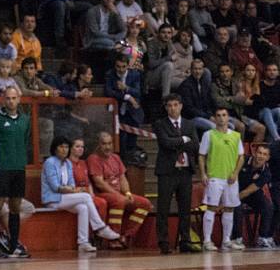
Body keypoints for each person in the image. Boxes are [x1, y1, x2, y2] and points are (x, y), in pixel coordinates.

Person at [41, 135, 121, 253]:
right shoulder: (50, 162)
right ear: (55, 148)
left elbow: (72, 184)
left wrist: (73, 190)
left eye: (66, 147)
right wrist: (75, 190)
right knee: (86, 196)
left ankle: (83, 242)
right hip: (52, 199)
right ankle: (100, 227)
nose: (64, 150)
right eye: (61, 147)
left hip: (65, 197)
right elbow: (55, 187)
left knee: (83, 208)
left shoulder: (67, 163)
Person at [0, 86, 30, 258]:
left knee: (15, 206)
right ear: (3, 100)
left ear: (18, 99)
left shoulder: (25, 119)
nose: (11, 101)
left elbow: (26, 140)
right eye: (8, 98)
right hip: (1, 167)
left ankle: (13, 244)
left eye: (14, 98)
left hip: (19, 167)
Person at [87, 132, 153, 245]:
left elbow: (123, 178)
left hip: (118, 193)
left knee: (145, 203)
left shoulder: (116, 157)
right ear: (98, 145)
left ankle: (126, 236)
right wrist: (118, 195)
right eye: (104, 144)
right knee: (119, 200)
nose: (107, 147)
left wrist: (127, 193)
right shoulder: (93, 158)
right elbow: (99, 183)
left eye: (109, 143)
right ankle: (113, 239)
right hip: (102, 193)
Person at [154, 94, 200, 254]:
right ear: (166, 107)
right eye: (169, 105)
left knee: (185, 208)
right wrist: (183, 140)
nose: (173, 108)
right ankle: (164, 242)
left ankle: (185, 240)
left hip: (185, 170)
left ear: (181, 106)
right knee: (163, 208)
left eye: (175, 105)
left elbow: (195, 145)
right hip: (167, 171)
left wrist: (178, 142)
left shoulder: (189, 124)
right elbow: (165, 143)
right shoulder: (160, 124)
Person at [198, 106, 245, 251]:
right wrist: (203, 173)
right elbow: (201, 155)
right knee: (211, 208)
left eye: (224, 115)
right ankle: (207, 241)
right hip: (214, 177)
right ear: (214, 118)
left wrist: (235, 173)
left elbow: (241, 156)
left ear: (228, 117)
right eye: (218, 115)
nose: (221, 118)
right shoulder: (208, 135)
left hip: (231, 179)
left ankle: (226, 240)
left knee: (229, 209)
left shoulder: (236, 136)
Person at [232, 143, 275, 249]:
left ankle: (262, 237)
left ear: (268, 158)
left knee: (268, 206)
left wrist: (234, 199)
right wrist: (230, 200)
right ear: (254, 153)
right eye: (259, 153)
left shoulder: (266, 173)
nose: (261, 156)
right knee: (237, 207)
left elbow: (248, 191)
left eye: (264, 154)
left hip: (250, 193)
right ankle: (237, 238)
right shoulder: (243, 160)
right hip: (234, 189)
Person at [104, 54, 143, 155]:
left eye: (123, 66)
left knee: (132, 142)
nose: (121, 69)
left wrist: (126, 88)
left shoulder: (135, 74)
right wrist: (128, 97)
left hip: (132, 111)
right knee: (120, 141)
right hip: (116, 111)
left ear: (128, 65)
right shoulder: (110, 74)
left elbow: (138, 92)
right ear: (115, 66)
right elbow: (108, 92)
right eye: (118, 66)